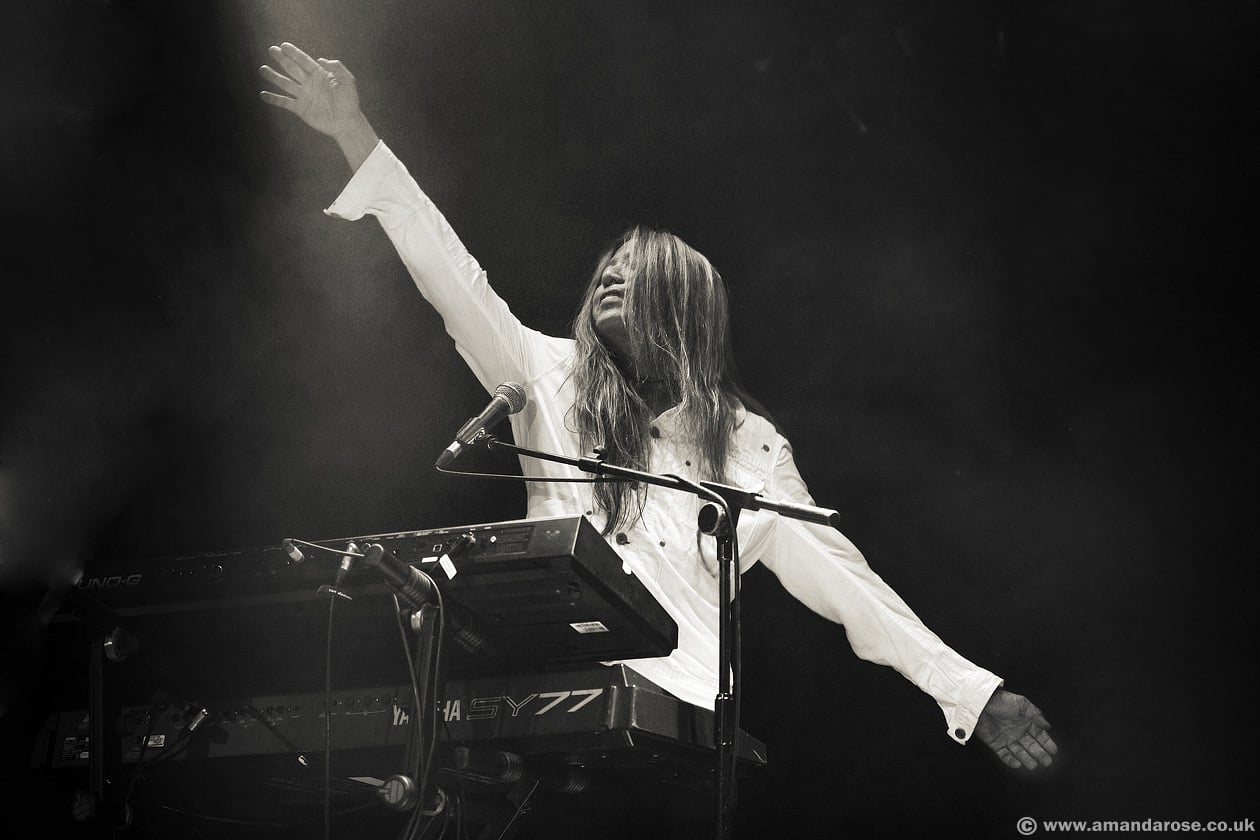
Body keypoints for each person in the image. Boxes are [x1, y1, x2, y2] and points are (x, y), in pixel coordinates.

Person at [258, 39, 1056, 829]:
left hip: (675, 740)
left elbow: (847, 584)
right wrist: (352, 130)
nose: (611, 271)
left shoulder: (748, 444)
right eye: (608, 264)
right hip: (547, 715)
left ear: (684, 303)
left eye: (635, 266)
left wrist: (970, 692)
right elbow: (446, 267)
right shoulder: (544, 373)